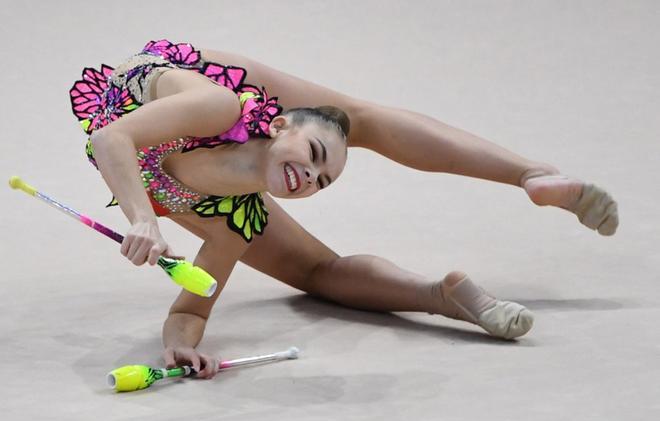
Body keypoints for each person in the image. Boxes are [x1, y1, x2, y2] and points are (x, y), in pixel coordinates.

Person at [69, 39, 619, 378]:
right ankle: (495, 222)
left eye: (321, 181)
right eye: (312, 159)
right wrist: (142, 221)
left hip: (168, 157)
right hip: (158, 91)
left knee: (325, 244)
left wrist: (181, 341)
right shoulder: (216, 103)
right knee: (352, 120)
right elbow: (113, 137)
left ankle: (482, 246)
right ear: (279, 122)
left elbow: (190, 310)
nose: (309, 177)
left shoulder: (232, 222)